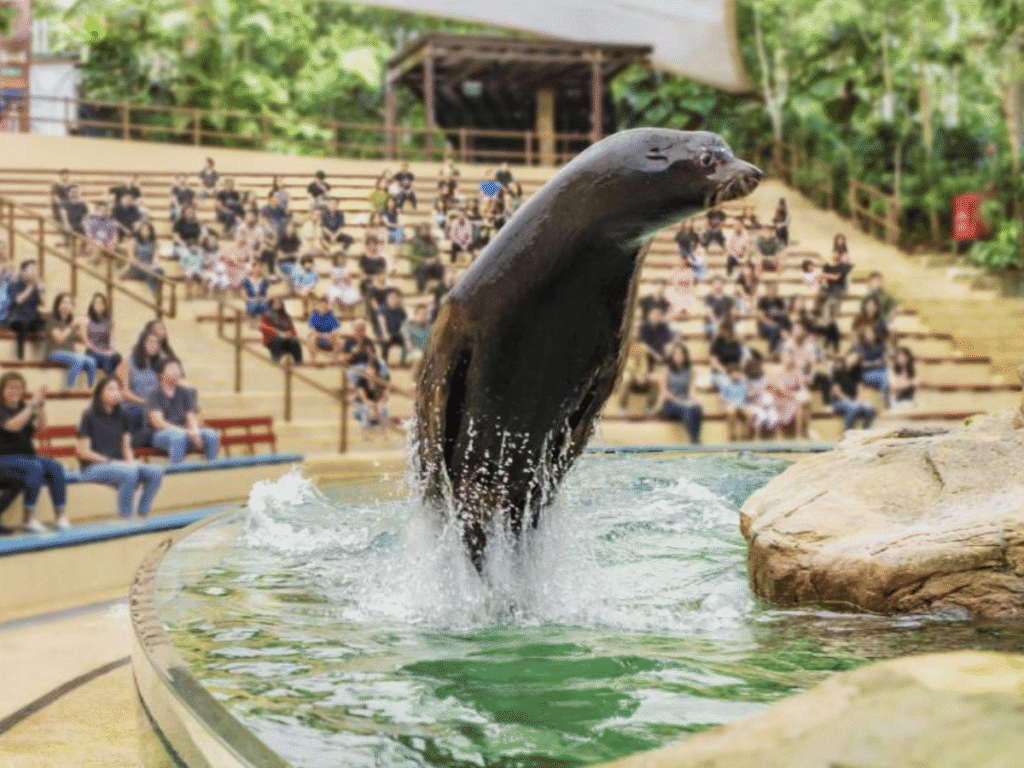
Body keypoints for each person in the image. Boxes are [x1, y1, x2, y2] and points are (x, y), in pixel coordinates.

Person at [77, 377, 164, 519]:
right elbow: (83, 452)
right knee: (128, 473)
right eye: (111, 389)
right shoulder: (89, 415)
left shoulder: (123, 416)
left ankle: (143, 514)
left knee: (156, 472)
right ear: (100, 393)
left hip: (119, 465)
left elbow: (126, 447)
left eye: (118, 389)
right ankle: (126, 518)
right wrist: (112, 462)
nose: (116, 392)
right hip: (93, 467)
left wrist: (131, 463)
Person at [0, 373, 69, 532]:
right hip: (4, 459)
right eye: (10, 387)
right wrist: (32, 406)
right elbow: (12, 426)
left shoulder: (24, 407)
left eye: (18, 387)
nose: (15, 391)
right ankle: (28, 519)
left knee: (55, 467)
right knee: (35, 466)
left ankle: (60, 516)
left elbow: (41, 426)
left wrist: (40, 406)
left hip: (26, 457)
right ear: (2, 391)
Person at [147, 359, 219, 463]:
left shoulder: (185, 392)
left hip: (185, 432)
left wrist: (194, 431)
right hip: (161, 434)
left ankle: (213, 467)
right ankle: (177, 469)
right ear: (162, 374)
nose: (176, 372)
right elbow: (158, 422)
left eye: (178, 369)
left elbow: (190, 416)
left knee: (211, 434)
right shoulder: (155, 394)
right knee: (178, 436)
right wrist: (185, 431)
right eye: (172, 369)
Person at [116, 328, 164, 445]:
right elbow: (124, 392)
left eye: (156, 343)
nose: (154, 345)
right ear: (142, 343)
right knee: (146, 414)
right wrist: (146, 403)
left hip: (151, 408)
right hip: (133, 407)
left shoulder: (156, 365)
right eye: (150, 342)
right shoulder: (127, 362)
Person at [46, 293, 97, 390]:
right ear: (57, 305)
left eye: (69, 303)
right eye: (64, 303)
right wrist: (73, 324)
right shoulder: (51, 319)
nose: (66, 305)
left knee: (92, 361)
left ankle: (91, 389)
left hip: (70, 353)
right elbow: (59, 338)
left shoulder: (70, 321)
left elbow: (84, 341)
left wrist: (83, 328)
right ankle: (69, 387)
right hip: (54, 352)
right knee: (78, 359)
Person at [658, 343, 703, 444]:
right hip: (670, 403)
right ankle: (695, 441)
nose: (678, 356)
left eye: (681, 354)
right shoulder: (667, 369)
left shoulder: (690, 370)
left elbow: (692, 392)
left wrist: (695, 401)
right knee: (687, 410)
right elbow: (664, 392)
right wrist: (681, 402)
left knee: (697, 408)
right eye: (676, 354)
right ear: (672, 356)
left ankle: (696, 439)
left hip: (685, 401)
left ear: (685, 356)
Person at [826, 351, 876, 431]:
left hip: (853, 400)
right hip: (839, 401)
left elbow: (859, 385)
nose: (853, 361)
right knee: (853, 407)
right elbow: (836, 391)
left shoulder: (857, 369)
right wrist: (850, 401)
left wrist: (859, 399)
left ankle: (865, 432)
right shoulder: (837, 368)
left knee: (870, 408)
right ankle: (848, 433)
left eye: (856, 360)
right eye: (852, 358)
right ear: (847, 356)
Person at [6, 259, 45, 359]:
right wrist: (31, 287)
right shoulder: (14, 283)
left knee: (44, 324)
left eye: (35, 270)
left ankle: (41, 356)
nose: (34, 272)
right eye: (31, 269)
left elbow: (43, 303)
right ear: (23, 271)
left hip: (31, 318)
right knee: (22, 326)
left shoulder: (36, 286)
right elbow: (18, 301)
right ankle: (20, 357)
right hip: (16, 318)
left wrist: (40, 289)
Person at [83, 292, 122, 376]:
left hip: (106, 350)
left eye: (101, 303)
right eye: (96, 302)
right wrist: (102, 352)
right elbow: (87, 343)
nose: (98, 305)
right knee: (107, 359)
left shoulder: (108, 321)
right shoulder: (87, 320)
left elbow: (111, 341)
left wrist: (113, 350)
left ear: (105, 305)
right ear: (92, 305)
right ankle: (110, 381)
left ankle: (110, 382)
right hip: (92, 352)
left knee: (117, 357)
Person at [854, 326, 891, 407]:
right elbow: (861, 364)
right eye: (867, 334)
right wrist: (875, 363)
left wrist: (884, 360)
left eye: (871, 333)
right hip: (866, 374)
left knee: (888, 374)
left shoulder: (881, 345)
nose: (869, 335)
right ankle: (885, 402)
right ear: (863, 336)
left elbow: (886, 360)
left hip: (882, 371)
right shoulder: (860, 347)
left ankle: (887, 398)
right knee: (885, 377)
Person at [258, 297, 303, 364]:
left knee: (295, 342)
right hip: (272, 340)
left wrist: (291, 335)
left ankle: (298, 361)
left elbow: (292, 330)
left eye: (279, 303)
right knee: (278, 339)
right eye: (275, 303)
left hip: (286, 340)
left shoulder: (286, 317)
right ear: (271, 305)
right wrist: (278, 333)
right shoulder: (267, 316)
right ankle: (276, 359)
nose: (277, 305)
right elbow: (263, 328)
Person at [713, 363, 749, 442]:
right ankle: (732, 433)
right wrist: (730, 403)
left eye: (738, 372)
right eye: (734, 372)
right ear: (730, 374)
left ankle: (745, 433)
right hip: (729, 405)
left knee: (750, 412)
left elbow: (745, 397)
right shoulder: (725, 384)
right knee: (731, 411)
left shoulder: (743, 383)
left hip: (741, 405)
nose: (737, 374)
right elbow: (722, 397)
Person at [124, 221, 164, 292]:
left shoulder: (155, 242)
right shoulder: (133, 242)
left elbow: (156, 259)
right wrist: (144, 266)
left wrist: (154, 265)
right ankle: (157, 294)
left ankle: (156, 294)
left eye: (147, 230)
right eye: (143, 229)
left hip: (149, 266)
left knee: (159, 270)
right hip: (136, 267)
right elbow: (131, 259)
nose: (145, 232)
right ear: (139, 231)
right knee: (150, 273)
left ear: (151, 231)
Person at [618, 349, 659, 415]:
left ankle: (650, 407)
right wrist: (637, 376)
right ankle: (623, 407)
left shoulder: (652, 360)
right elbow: (630, 369)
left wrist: (647, 377)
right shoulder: (635, 360)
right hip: (635, 381)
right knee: (627, 380)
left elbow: (655, 373)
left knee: (655, 382)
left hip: (647, 381)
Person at [756, 280, 790, 353]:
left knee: (785, 322)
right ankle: (772, 350)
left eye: (774, 290)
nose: (772, 292)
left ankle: (785, 348)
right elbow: (762, 318)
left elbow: (782, 315)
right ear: (767, 291)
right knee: (775, 329)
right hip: (765, 325)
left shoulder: (779, 301)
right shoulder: (763, 301)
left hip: (778, 324)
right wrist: (773, 324)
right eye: (770, 290)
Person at [377, 290, 409, 366]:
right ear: (387, 299)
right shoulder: (382, 308)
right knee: (385, 342)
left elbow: (404, 323)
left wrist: (406, 337)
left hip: (396, 333)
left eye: (395, 298)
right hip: (385, 333)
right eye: (391, 298)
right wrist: (385, 333)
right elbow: (382, 322)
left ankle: (403, 361)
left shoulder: (400, 310)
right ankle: (384, 362)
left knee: (406, 341)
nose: (393, 300)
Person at [306, 295, 343, 362]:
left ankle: (331, 358)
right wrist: (319, 335)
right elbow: (311, 329)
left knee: (339, 341)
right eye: (322, 304)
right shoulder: (314, 315)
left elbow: (337, 329)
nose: (323, 306)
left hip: (329, 337)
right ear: (318, 304)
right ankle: (313, 360)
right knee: (311, 338)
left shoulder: (331, 315)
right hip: (317, 337)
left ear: (327, 305)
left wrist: (331, 334)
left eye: (325, 304)